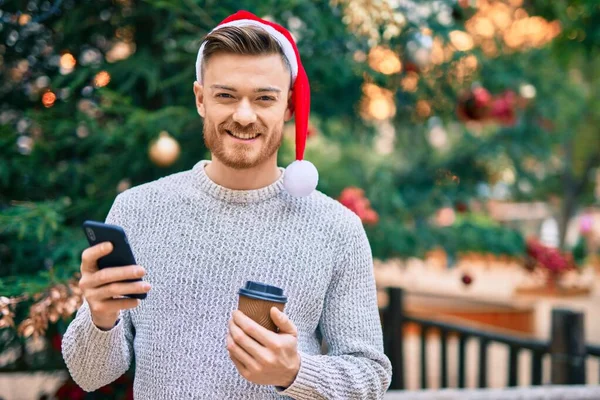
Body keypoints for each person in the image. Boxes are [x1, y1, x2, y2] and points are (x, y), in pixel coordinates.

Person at [62, 10, 392, 399]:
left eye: (264, 98)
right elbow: (89, 374)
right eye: (226, 95)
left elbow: (370, 375)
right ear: (201, 99)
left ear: (288, 107)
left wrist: (296, 372)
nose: (244, 115)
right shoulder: (137, 210)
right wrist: (100, 318)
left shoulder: (336, 228)